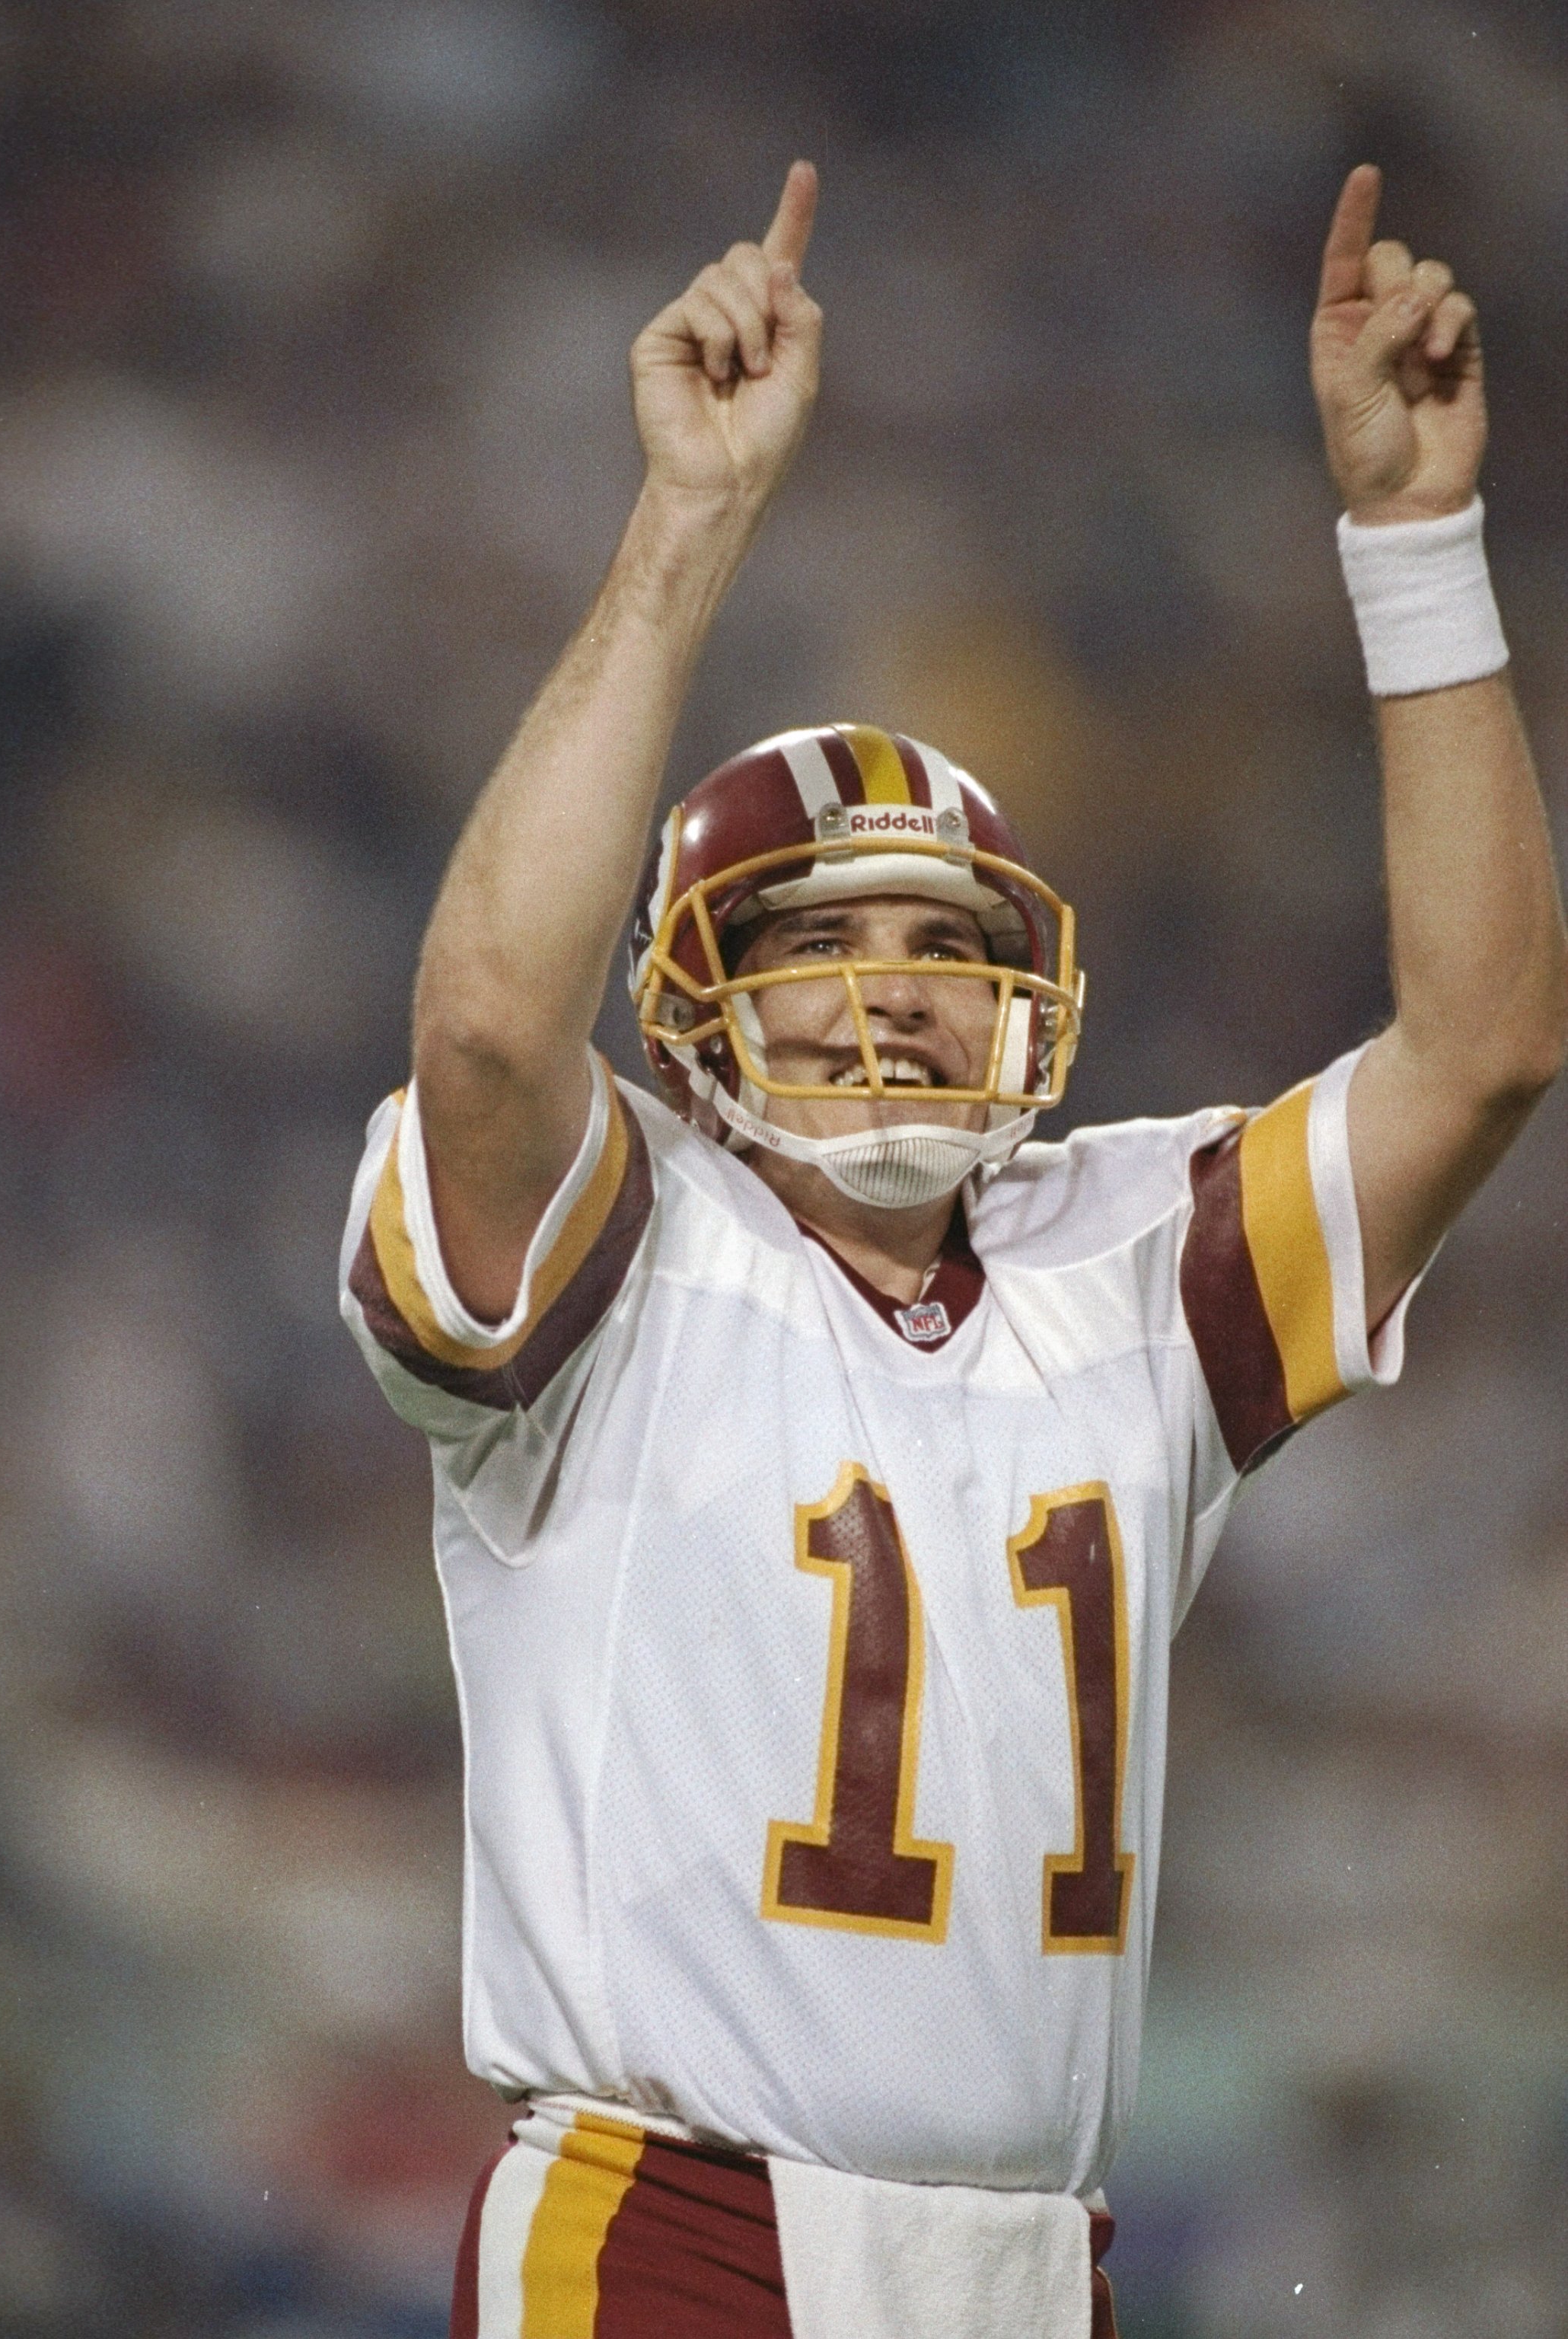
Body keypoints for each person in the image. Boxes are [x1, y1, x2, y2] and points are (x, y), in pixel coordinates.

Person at [341, 161, 1566, 2339]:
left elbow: (1487, 1048)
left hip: (1033, 2269)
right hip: (674, 2240)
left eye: (944, 940)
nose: (894, 991)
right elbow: (486, 1031)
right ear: (693, 1001)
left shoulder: (1131, 1257)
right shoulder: (630, 1234)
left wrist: (1415, 544)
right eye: (821, 942)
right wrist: (687, 521)